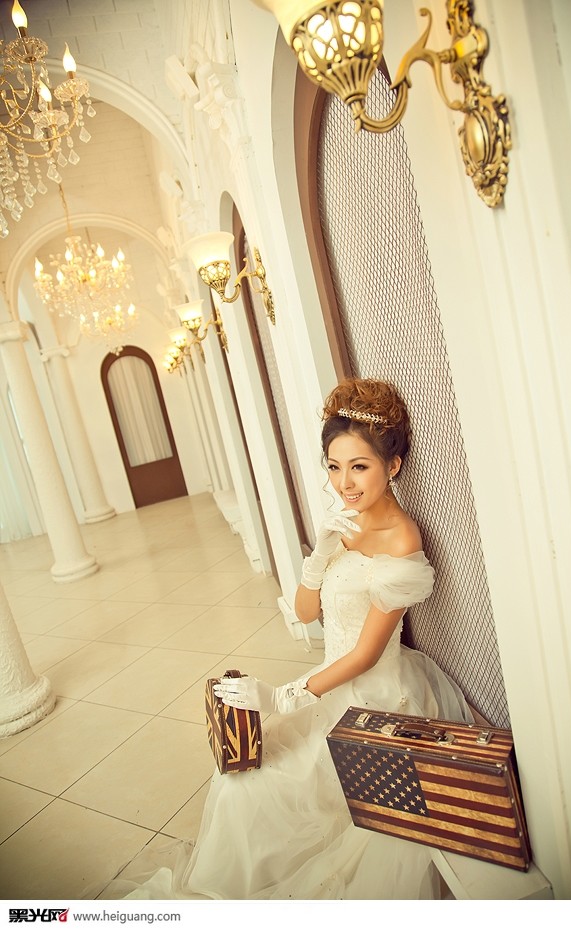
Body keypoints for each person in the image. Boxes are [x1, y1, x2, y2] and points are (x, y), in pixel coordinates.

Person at [117, 377, 472, 900]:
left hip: (374, 696)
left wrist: (281, 697)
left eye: (359, 467)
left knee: (266, 786)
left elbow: (366, 654)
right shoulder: (343, 523)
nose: (344, 483)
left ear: (393, 466)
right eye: (333, 467)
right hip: (327, 681)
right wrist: (321, 552)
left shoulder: (401, 539)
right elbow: (307, 613)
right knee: (240, 780)